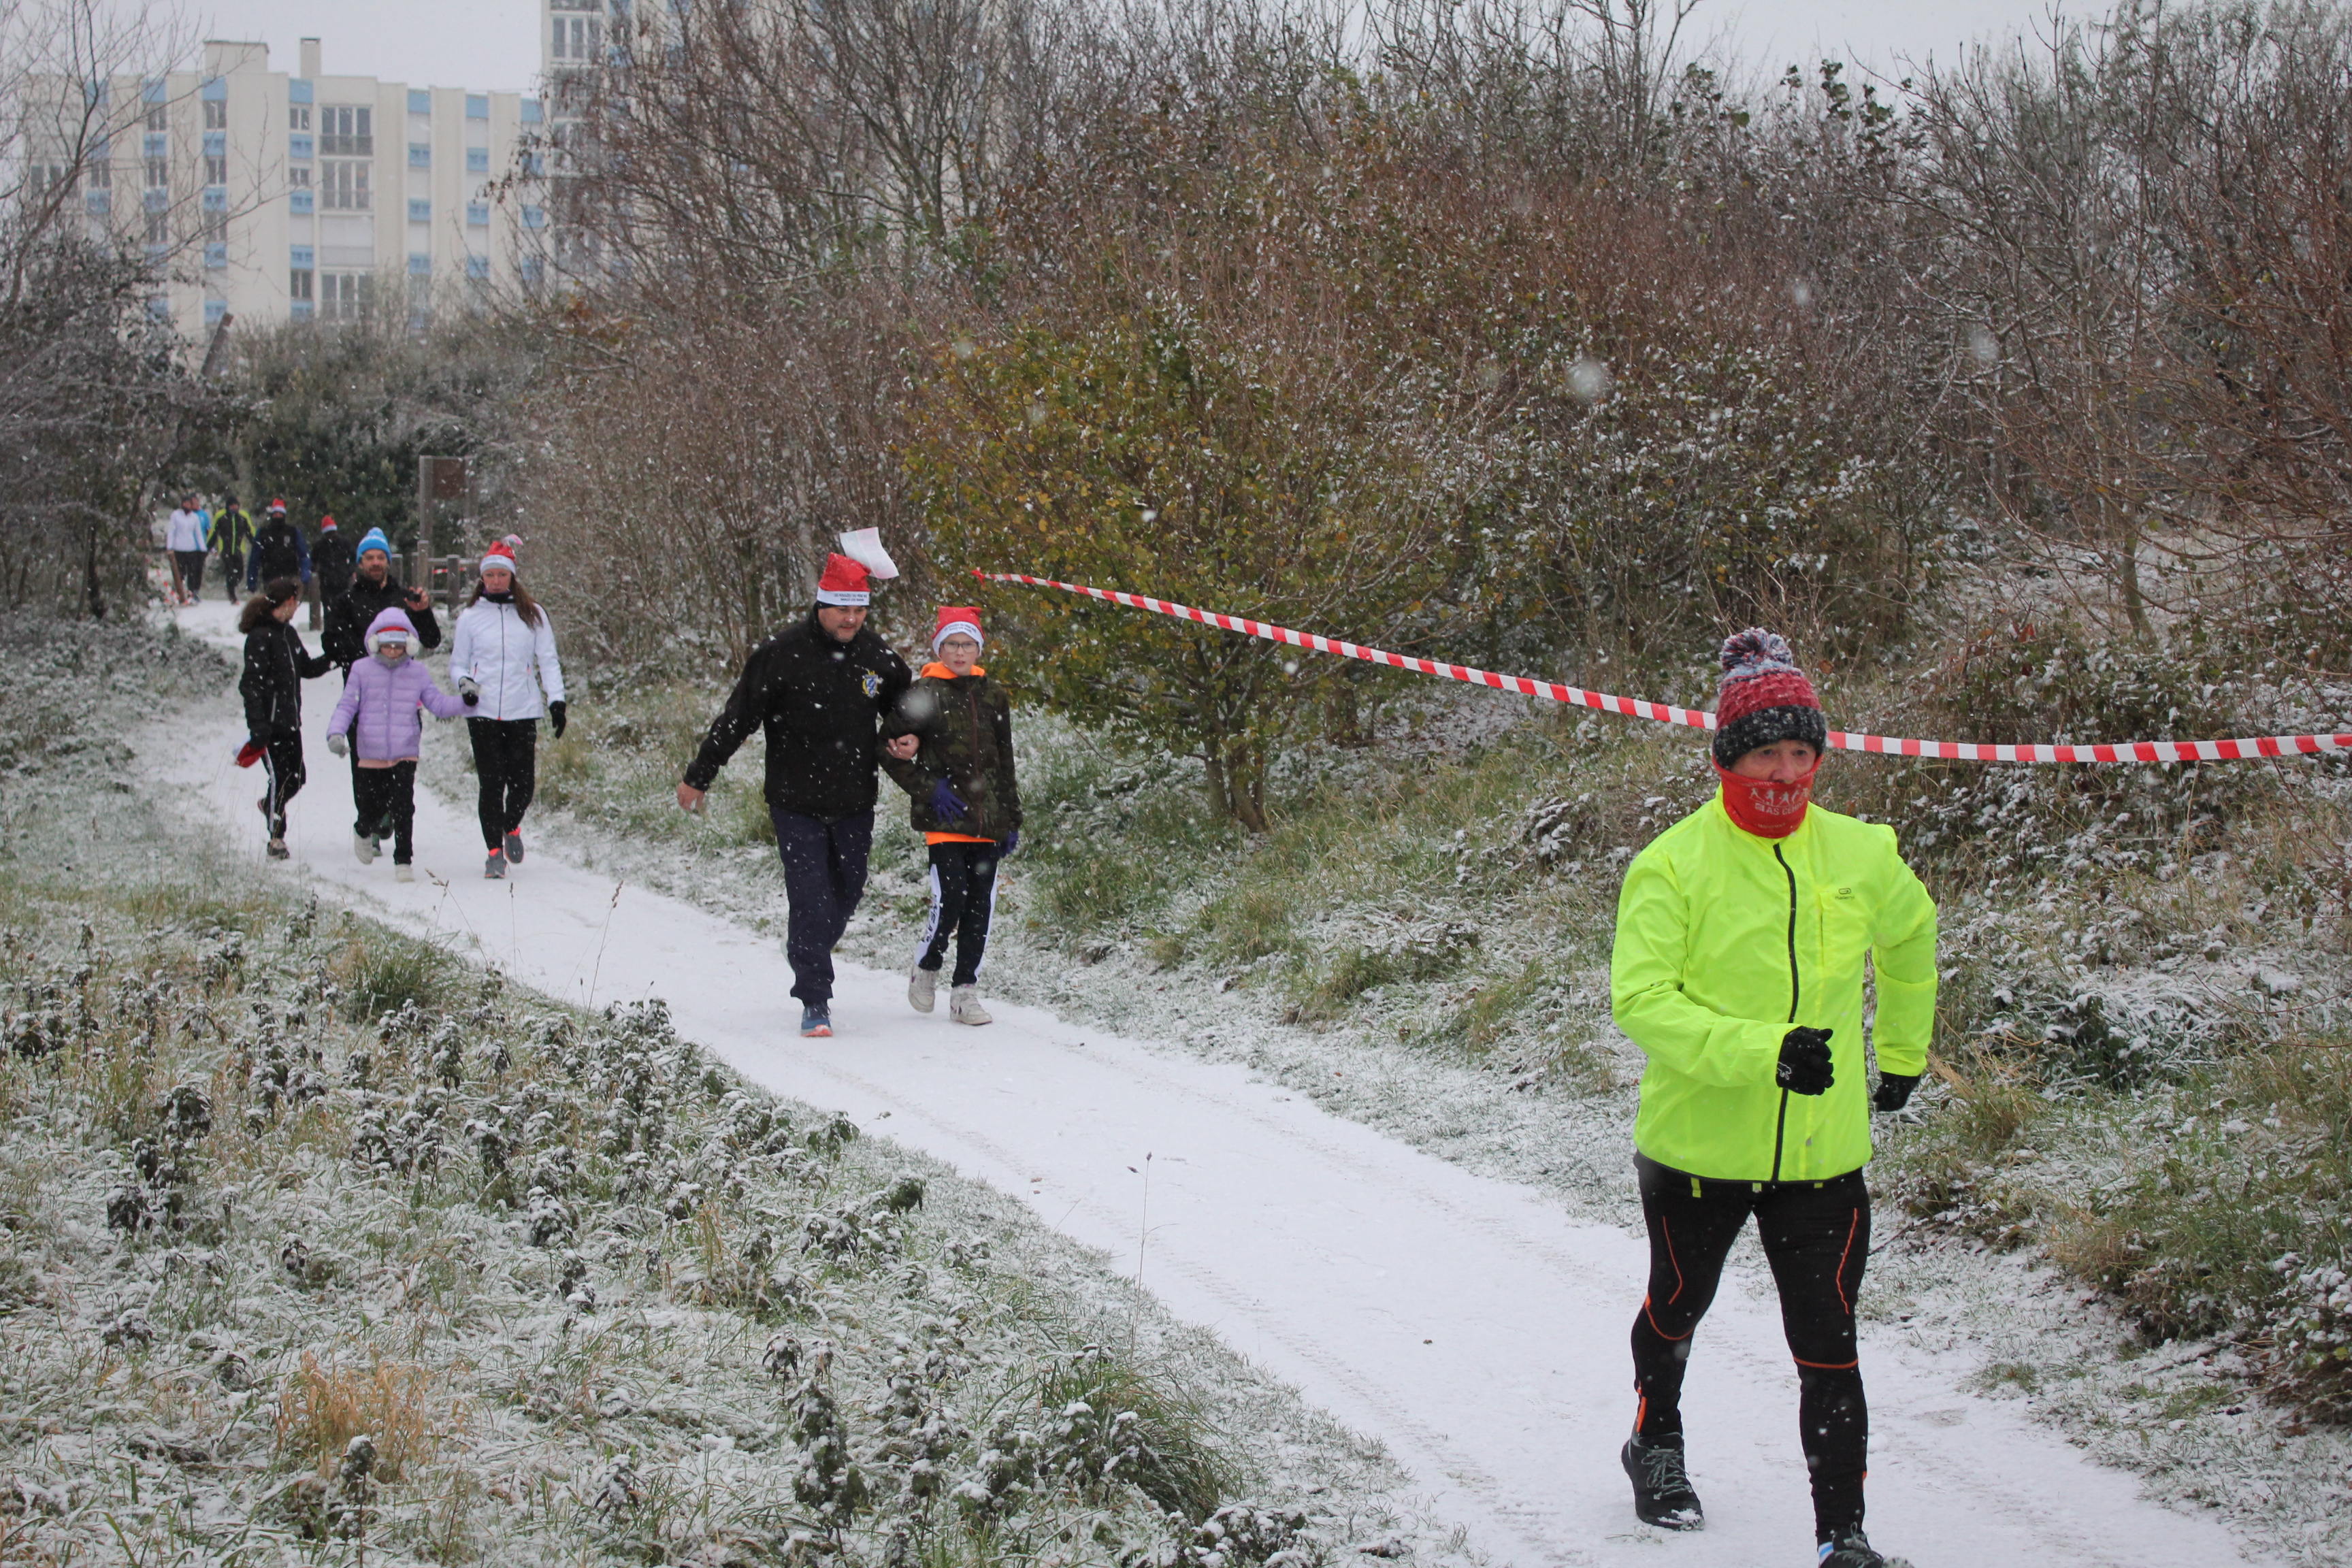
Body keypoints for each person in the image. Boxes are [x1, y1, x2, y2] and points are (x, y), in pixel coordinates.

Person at [1609, 630, 1937, 1568]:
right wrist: (1766, 1053)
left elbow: (1912, 936)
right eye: (1765, 754)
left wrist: (1902, 1053)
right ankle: (1655, 1437)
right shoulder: (1673, 864)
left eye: (1801, 752)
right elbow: (1642, 999)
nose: (1786, 773)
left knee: (1828, 1344)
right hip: (1697, 1149)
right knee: (1678, 1305)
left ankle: (1844, 1537)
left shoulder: (1860, 853)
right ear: (1727, 758)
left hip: (1822, 1158)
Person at [678, 552, 912, 1038]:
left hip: (855, 799)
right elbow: (738, 718)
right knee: (810, 897)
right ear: (821, 605)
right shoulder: (781, 653)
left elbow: (907, 709)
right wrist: (700, 774)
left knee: (847, 892)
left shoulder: (878, 657)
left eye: (860, 610)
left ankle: (808, 949)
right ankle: (814, 997)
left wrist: (911, 736)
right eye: (842, 609)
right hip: (794, 800)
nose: (851, 620)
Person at [881, 606, 1022, 1026]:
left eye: (968, 644)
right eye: (952, 644)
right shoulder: (924, 693)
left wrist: (1011, 817)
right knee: (952, 898)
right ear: (939, 648)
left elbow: (1005, 759)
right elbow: (888, 750)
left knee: (981, 907)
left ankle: (965, 993)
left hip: (987, 819)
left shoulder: (993, 695)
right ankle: (927, 966)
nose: (960, 652)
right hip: (945, 817)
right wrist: (929, 788)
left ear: (979, 649)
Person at [449, 542, 568, 880]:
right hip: (483, 711)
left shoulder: (533, 614)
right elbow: (458, 664)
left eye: (502, 574)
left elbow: (548, 660)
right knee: (491, 784)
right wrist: (465, 684)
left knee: (523, 785)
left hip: (522, 709)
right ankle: (493, 854)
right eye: (490, 575)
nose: (496, 581)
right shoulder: (470, 617)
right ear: (482, 578)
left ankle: (510, 825)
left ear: (512, 577)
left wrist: (556, 701)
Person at [326, 608, 472, 883]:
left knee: (404, 806)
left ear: (409, 645)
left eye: (398, 645)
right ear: (375, 643)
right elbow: (347, 705)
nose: (393, 651)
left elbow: (438, 704)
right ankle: (363, 829)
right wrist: (336, 733)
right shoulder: (361, 670)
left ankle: (403, 860)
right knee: (373, 807)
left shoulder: (417, 672)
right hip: (371, 751)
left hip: (405, 751)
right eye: (387, 645)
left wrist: (466, 702)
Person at [237, 577, 331, 860]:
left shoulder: (288, 634)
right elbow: (251, 685)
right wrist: (258, 725)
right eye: (297, 601)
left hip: (291, 723)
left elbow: (307, 668)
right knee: (279, 779)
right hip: (269, 727)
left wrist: (334, 658)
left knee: (297, 778)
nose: (297, 606)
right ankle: (276, 838)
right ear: (289, 602)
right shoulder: (260, 637)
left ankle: (269, 805)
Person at [250, 499, 310, 591]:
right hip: (270, 578)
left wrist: (305, 575)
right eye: (275, 514)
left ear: (284, 515)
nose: (278, 516)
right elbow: (255, 558)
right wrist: (252, 580)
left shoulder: (293, 531)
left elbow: (304, 555)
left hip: (290, 577)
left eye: (280, 514)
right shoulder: (263, 533)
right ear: (272, 515)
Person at [165, 493, 208, 604]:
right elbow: (171, 532)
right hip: (179, 548)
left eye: (189, 503)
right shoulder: (176, 515)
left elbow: (198, 534)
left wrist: (203, 549)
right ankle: (177, 594)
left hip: (191, 549)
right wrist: (170, 547)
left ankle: (191, 595)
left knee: (192, 573)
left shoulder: (194, 517)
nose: (187, 505)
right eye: (185, 503)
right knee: (180, 573)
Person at [212, 495, 256, 602]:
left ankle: (230, 587)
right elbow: (213, 534)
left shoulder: (243, 518)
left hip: (238, 550)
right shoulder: (221, 518)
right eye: (232, 505)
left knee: (240, 574)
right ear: (228, 506)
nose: (234, 507)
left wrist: (256, 545)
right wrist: (208, 547)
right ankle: (232, 596)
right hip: (225, 550)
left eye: (236, 505)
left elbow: (250, 532)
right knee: (230, 572)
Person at [313, 516, 355, 602]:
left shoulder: (344, 543)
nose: (332, 536)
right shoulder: (320, 545)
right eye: (329, 534)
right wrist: (318, 570)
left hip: (342, 580)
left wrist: (350, 570)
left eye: (333, 533)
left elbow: (354, 558)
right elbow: (313, 561)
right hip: (326, 582)